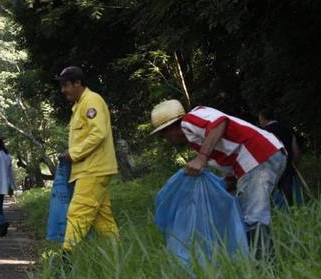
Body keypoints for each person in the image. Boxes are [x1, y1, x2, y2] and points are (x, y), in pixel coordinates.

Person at [150, 100, 287, 260]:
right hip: (262, 157)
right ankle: (256, 262)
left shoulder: (190, 119)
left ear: (172, 127)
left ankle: (266, 267)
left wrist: (201, 158)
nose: (165, 138)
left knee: (252, 216)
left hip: (257, 156)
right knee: (245, 213)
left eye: (164, 133)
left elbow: (219, 123)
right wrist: (224, 185)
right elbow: (228, 155)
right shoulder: (196, 140)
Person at [54, 66, 119, 251]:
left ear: (78, 83)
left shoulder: (91, 101)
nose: (63, 90)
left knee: (78, 213)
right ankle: (116, 258)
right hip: (91, 168)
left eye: (66, 85)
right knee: (102, 218)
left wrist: (72, 154)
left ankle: (67, 260)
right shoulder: (80, 105)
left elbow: (98, 133)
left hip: (93, 169)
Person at [258, 109, 300, 206]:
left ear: (263, 118)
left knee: (273, 198)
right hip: (288, 166)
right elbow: (296, 151)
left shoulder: (263, 132)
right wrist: (294, 166)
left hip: (270, 169)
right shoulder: (287, 129)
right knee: (290, 197)